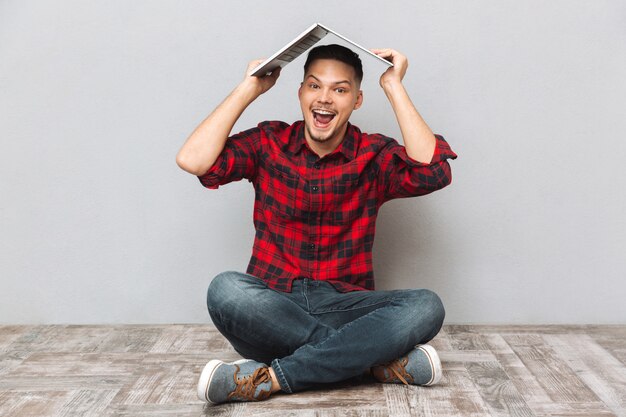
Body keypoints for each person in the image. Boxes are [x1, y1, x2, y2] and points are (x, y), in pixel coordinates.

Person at [176, 44, 457, 405]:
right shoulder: (269, 141)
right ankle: (368, 363)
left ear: (356, 100)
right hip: (272, 310)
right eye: (314, 86)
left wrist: (394, 86)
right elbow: (193, 159)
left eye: (340, 90)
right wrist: (249, 88)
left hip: (345, 307)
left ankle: (272, 378)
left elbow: (433, 171)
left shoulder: (373, 154)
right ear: (300, 93)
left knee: (426, 306)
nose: (324, 98)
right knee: (226, 290)